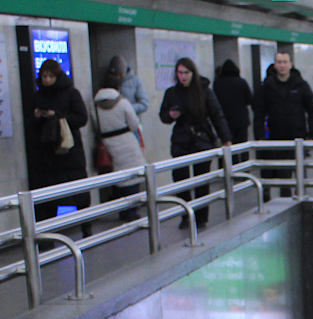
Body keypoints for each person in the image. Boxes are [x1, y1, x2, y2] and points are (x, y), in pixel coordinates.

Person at [158, 57, 231, 230]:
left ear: (193, 73)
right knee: (181, 180)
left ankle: (201, 216)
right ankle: (185, 215)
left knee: (201, 180)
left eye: (186, 73)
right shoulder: (171, 93)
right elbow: (163, 116)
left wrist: (225, 138)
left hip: (201, 140)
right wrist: (171, 116)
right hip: (181, 140)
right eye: (180, 73)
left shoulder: (204, 91)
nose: (183, 76)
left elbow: (216, 114)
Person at [30, 59, 91, 237]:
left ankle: (85, 227)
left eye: (50, 76)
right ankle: (50, 233)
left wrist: (57, 116)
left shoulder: (71, 93)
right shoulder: (38, 96)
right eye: (44, 76)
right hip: (47, 154)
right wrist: (38, 117)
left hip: (69, 150)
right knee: (49, 195)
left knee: (77, 192)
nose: (47, 80)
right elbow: (30, 125)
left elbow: (81, 118)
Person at [252, 50, 313, 197]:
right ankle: (284, 199)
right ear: (275, 65)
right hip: (276, 137)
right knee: (281, 172)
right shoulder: (267, 87)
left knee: (299, 171)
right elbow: (259, 112)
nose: (282, 65)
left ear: (290, 64)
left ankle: (300, 197)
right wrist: (260, 136)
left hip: (298, 136)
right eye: (279, 62)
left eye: (285, 62)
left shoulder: (301, 85)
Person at [92, 82, 144, 221]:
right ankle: (132, 211)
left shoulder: (95, 108)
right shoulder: (123, 103)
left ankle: (122, 210)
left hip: (108, 144)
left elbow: (96, 128)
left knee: (118, 179)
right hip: (127, 143)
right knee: (133, 177)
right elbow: (134, 123)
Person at [213, 59, 253, 161]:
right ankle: (244, 168)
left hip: (226, 121)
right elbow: (249, 100)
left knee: (229, 147)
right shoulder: (241, 82)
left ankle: (231, 168)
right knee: (243, 147)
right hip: (241, 121)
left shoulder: (217, 83)